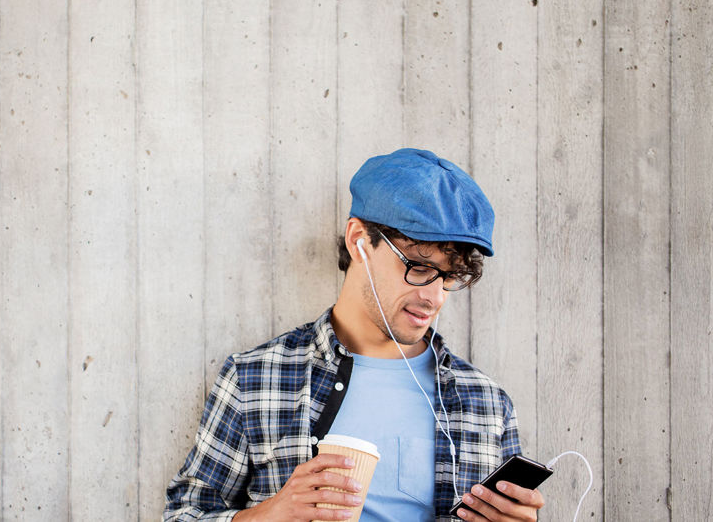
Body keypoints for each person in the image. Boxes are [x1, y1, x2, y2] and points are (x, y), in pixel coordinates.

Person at [164, 149, 545, 521]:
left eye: (448, 276)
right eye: (419, 266)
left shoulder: (487, 402)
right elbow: (184, 514)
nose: (434, 297)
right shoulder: (255, 377)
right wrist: (268, 516)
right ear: (359, 240)